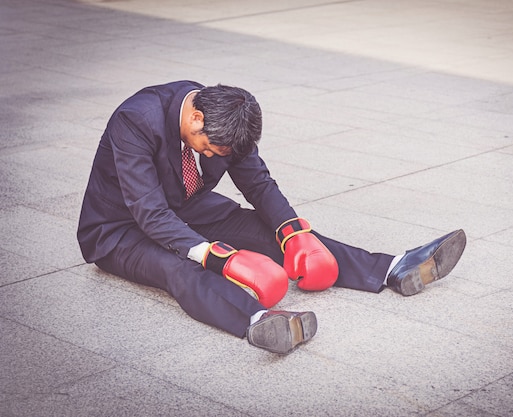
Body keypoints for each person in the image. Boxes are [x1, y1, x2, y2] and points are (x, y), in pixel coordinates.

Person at [77, 81, 467, 355]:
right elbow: (150, 212)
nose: (213, 156)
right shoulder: (135, 120)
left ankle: (392, 269)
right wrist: (217, 256)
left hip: (189, 209)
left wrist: (293, 232)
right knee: (177, 267)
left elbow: (259, 185)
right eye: (210, 148)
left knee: (273, 234)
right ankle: (260, 322)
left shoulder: (228, 118)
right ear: (195, 119)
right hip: (120, 230)